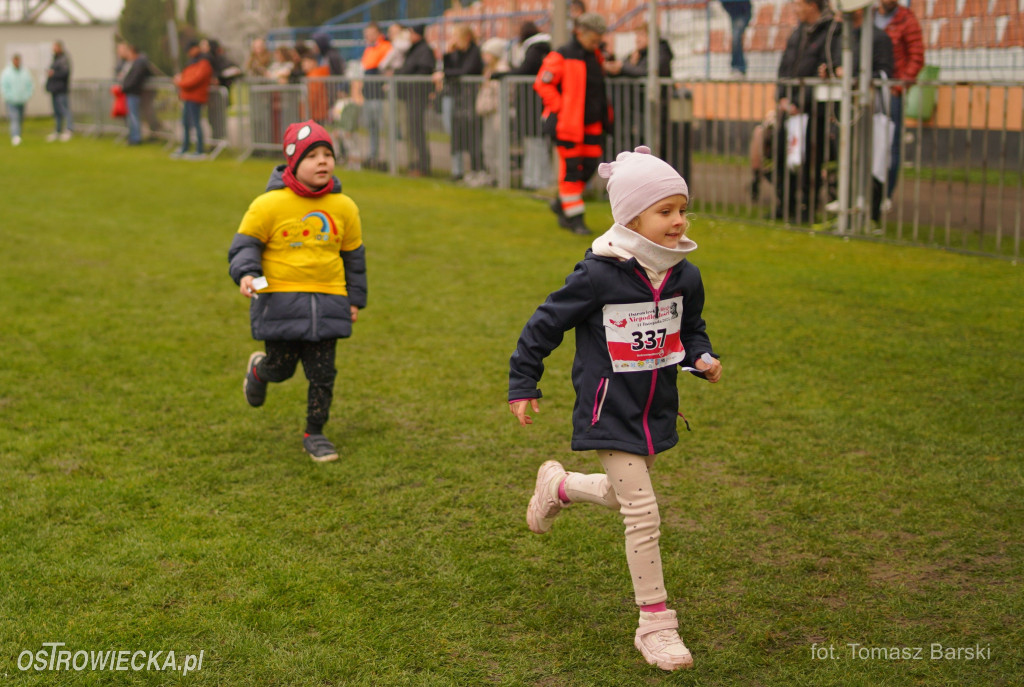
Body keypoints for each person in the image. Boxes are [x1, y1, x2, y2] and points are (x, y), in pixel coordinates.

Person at [508, 145, 721, 673]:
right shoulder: (599, 275)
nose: (678, 221)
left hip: (655, 409)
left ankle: (558, 487)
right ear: (631, 217)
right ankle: (655, 624)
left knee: (624, 497)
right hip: (607, 411)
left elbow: (688, 328)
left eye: (681, 209)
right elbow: (544, 324)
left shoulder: (684, 275)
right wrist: (523, 381)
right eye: (665, 211)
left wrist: (701, 357)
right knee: (643, 513)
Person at [228, 120, 367, 463]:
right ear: (292, 162)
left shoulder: (345, 207)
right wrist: (247, 274)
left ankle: (315, 433)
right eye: (313, 156)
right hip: (278, 301)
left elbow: (354, 258)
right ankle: (260, 371)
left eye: (328, 154)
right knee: (283, 368)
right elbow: (245, 247)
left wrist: (355, 299)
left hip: (330, 300)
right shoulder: (268, 205)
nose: (323, 162)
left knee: (322, 374)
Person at [535, 12, 613, 235]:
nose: (597, 44)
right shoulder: (561, 55)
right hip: (568, 125)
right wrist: (559, 108)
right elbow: (543, 84)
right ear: (580, 32)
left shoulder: (596, 55)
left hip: (593, 123)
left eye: (599, 40)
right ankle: (575, 218)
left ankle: (562, 203)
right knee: (571, 171)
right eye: (594, 39)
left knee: (589, 167)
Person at [824, 8, 895, 221]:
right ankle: (845, 202)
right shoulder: (840, 38)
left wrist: (854, 77)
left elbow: (884, 74)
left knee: (872, 161)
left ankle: (872, 214)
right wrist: (829, 72)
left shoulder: (879, 38)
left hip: (870, 111)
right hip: (844, 110)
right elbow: (836, 67)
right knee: (845, 156)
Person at [773, 0, 835, 222]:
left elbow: (823, 74)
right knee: (782, 156)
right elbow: (784, 68)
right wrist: (781, 97)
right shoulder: (797, 32)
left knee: (810, 162)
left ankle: (806, 207)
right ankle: (784, 205)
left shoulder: (829, 33)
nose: (795, 8)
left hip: (813, 113)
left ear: (812, 6)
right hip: (788, 110)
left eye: (799, 4)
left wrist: (800, 103)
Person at [875, 0, 924, 203]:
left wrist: (898, 87)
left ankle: (885, 195)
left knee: (891, 144)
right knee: (868, 141)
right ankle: (866, 193)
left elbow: (917, 56)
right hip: (869, 90)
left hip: (892, 91)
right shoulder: (869, 16)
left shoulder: (907, 19)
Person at [604, 22, 673, 160]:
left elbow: (646, 72)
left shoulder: (661, 52)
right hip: (637, 110)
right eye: (637, 35)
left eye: (641, 35)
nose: (637, 39)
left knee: (653, 146)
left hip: (655, 109)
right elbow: (623, 68)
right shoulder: (637, 54)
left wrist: (623, 67)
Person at [442, 25, 484, 182]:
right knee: (456, 135)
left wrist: (449, 74)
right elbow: (449, 71)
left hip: (470, 100)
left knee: (473, 136)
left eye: (456, 36)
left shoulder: (474, 52)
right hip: (459, 99)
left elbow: (465, 71)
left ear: (466, 37)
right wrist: (448, 53)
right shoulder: (458, 53)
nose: (454, 40)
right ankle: (457, 171)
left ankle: (476, 170)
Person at [395, 24, 436, 176]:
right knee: (413, 131)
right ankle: (417, 164)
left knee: (417, 131)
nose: (409, 36)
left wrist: (405, 74)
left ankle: (423, 166)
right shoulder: (413, 49)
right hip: (409, 95)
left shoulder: (424, 50)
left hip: (417, 95)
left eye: (411, 33)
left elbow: (424, 69)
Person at [473, 37, 508, 187]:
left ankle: (501, 179)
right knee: (488, 145)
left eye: (487, 53)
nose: (484, 56)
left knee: (498, 145)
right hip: (487, 112)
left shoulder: (502, 70)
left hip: (498, 112)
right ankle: (492, 175)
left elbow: (502, 93)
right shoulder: (488, 70)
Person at [356, 22, 392, 169]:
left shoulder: (385, 46)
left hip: (380, 96)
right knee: (372, 127)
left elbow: (384, 68)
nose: (368, 36)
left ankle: (388, 159)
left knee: (383, 127)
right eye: (366, 33)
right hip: (369, 94)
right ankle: (373, 155)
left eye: (370, 33)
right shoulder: (368, 49)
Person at [173, 39, 214, 158]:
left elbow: (195, 79)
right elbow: (186, 76)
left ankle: (199, 150)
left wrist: (180, 82)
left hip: (196, 97)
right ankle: (185, 147)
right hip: (187, 97)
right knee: (185, 123)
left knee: (196, 124)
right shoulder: (191, 62)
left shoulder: (204, 62)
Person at [118, 42, 151, 145]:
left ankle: (136, 138)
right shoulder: (134, 63)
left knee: (134, 116)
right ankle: (133, 137)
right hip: (131, 92)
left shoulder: (139, 63)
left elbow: (134, 79)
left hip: (134, 92)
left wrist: (125, 87)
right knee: (131, 116)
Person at [1, 54, 33, 146]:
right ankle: (15, 136)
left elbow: (30, 84)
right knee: (14, 118)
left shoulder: (24, 72)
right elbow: (3, 86)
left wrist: (27, 95)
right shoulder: (7, 72)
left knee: (20, 119)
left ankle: (18, 135)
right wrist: (8, 96)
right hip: (11, 101)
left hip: (22, 100)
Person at [45, 41, 73, 142]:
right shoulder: (55, 59)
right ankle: (58, 131)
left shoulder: (64, 59)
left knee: (65, 110)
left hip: (61, 89)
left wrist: (54, 73)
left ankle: (69, 129)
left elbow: (65, 73)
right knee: (56, 112)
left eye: (55, 47)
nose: (53, 49)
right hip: (54, 89)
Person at [719, 0, 752, 77]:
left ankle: (739, 67)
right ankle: (737, 67)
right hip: (734, 15)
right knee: (736, 38)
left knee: (736, 38)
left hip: (743, 13)